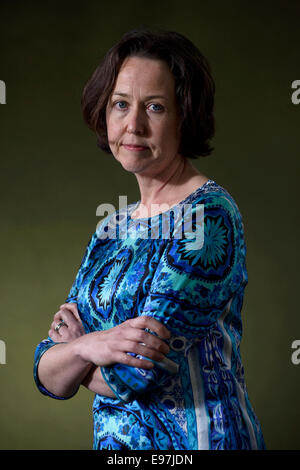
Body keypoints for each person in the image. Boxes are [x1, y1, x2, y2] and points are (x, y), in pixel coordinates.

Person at [33, 29, 266, 450]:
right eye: (120, 104)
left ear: (185, 116)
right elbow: (46, 373)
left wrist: (76, 352)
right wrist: (94, 345)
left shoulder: (207, 217)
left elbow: (137, 374)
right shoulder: (111, 229)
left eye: (155, 107)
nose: (133, 125)